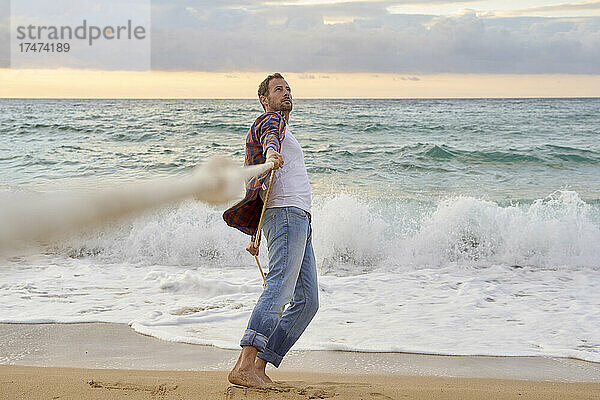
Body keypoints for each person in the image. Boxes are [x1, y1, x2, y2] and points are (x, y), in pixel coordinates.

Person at [223, 73, 318, 388]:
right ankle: (244, 364)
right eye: (279, 89)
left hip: (298, 218)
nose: (286, 92)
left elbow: (260, 186)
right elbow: (269, 141)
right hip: (288, 215)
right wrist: (271, 154)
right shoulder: (270, 122)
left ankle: (260, 366)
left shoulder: (284, 128)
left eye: (288, 88)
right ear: (265, 98)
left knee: (307, 301)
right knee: (279, 288)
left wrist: (256, 232)